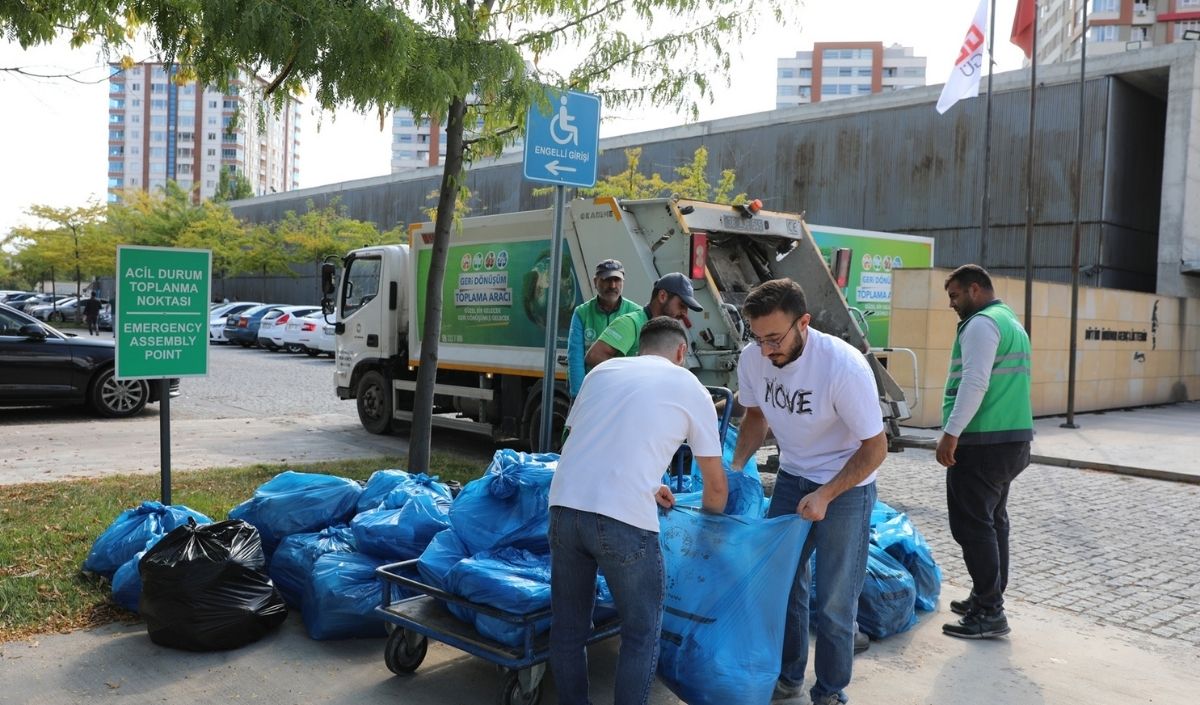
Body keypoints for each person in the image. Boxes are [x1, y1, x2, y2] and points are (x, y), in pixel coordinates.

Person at [548, 316, 728, 705]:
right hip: (623, 522)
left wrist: (651, 484)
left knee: (568, 628)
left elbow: (594, 441)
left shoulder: (604, 371)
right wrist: (708, 541)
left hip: (564, 508)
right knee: (641, 632)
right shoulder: (690, 387)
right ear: (681, 351)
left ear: (641, 346)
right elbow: (715, 484)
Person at [729, 278, 887, 705]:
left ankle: (831, 691)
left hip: (846, 488)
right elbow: (756, 417)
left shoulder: (843, 367)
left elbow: (876, 448)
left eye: (775, 339)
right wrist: (737, 466)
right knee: (781, 585)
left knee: (836, 601)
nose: (766, 350)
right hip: (791, 479)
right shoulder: (754, 358)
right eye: (758, 339)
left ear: (804, 323)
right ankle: (788, 676)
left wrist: (827, 494)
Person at [936, 264, 1032, 640]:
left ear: (975, 290)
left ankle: (990, 611)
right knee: (993, 522)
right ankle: (987, 595)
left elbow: (975, 382)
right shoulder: (1009, 320)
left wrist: (950, 433)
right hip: (1010, 440)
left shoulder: (980, 324)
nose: (952, 304)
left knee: (973, 526)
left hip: (982, 442)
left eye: (955, 296)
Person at [584, 272, 703, 369]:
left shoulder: (668, 332)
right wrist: (635, 376)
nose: (685, 314)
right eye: (681, 305)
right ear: (662, 296)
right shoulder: (630, 324)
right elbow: (594, 356)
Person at [566, 259, 640, 398]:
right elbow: (575, 356)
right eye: (606, 280)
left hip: (623, 391)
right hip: (590, 389)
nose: (612, 285)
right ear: (595, 282)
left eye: (617, 280)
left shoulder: (635, 312)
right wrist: (578, 394)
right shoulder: (582, 313)